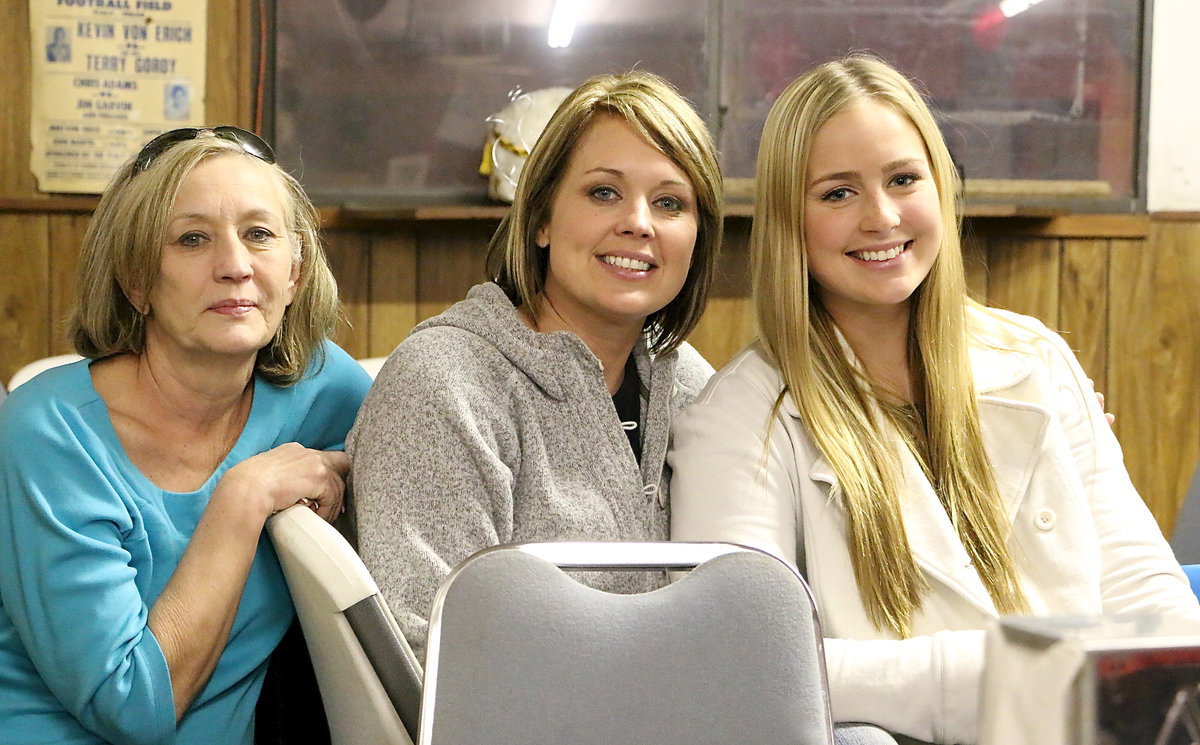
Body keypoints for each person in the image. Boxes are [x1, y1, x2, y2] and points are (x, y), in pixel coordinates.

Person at [669, 54, 1200, 745]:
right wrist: (1017, 675)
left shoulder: (1037, 360)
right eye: (837, 193)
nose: (882, 216)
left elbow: (1148, 595)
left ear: (942, 187)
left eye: (903, 179)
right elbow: (745, 662)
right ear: (787, 221)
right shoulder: (740, 418)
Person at [0, 126, 372, 745]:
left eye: (259, 234)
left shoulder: (328, 389)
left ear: (296, 272)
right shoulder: (50, 431)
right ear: (137, 281)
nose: (235, 267)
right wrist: (244, 497)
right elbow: (129, 706)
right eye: (192, 239)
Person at [348, 71, 722, 656]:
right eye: (604, 193)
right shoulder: (443, 384)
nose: (638, 222)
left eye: (670, 202)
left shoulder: (692, 387)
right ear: (542, 218)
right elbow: (431, 658)